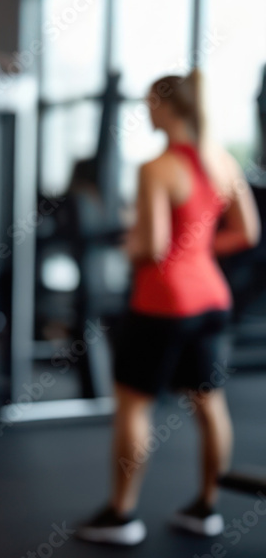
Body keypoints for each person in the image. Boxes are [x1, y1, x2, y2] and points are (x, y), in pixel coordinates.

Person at [78, 68, 260, 545]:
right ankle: (206, 508)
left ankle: (121, 517)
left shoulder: (156, 168)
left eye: (149, 103)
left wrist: (129, 246)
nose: (145, 111)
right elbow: (248, 232)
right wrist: (197, 250)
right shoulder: (221, 161)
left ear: (166, 106)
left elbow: (153, 248)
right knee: (209, 405)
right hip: (211, 297)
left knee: (134, 408)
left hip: (162, 301)